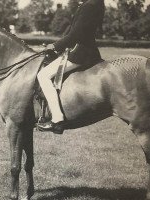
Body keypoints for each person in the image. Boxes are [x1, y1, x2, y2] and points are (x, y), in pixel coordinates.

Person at [37, 0, 105, 134]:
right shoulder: (94, 4)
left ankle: (57, 119)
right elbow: (73, 32)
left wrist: (55, 46)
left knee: (43, 75)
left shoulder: (89, 6)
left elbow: (76, 34)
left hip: (81, 52)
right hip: (83, 50)